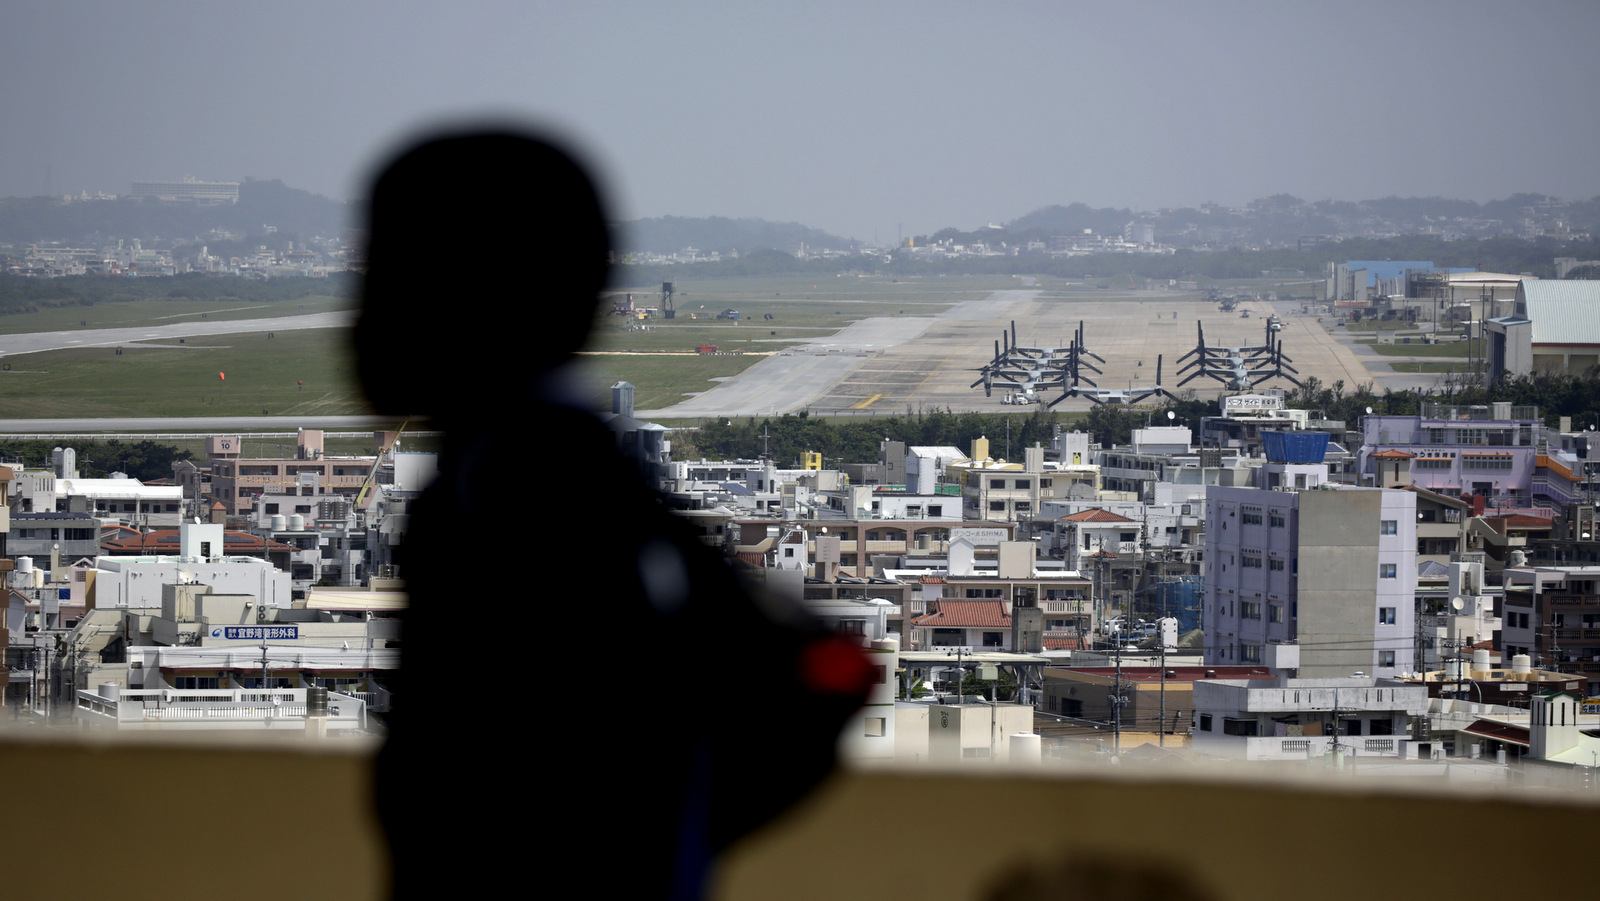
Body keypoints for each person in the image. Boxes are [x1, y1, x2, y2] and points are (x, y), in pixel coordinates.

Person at [356, 129, 871, 900]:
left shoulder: (518, 493)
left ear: (465, 296)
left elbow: (825, 673)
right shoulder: (567, 473)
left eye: (387, 274)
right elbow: (824, 668)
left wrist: (644, 845)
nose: (360, 318)